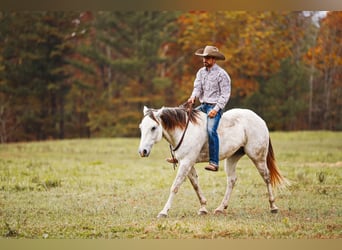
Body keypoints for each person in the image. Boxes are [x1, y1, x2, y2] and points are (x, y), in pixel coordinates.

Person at [167, 45, 231, 172]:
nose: (204, 60)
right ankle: (177, 155)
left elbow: (225, 94)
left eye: (207, 58)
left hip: (214, 107)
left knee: (211, 131)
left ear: (214, 59)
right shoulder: (201, 72)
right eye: (204, 57)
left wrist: (216, 109)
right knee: (182, 120)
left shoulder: (222, 75)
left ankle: (214, 162)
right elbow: (197, 88)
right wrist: (192, 97)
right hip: (204, 105)